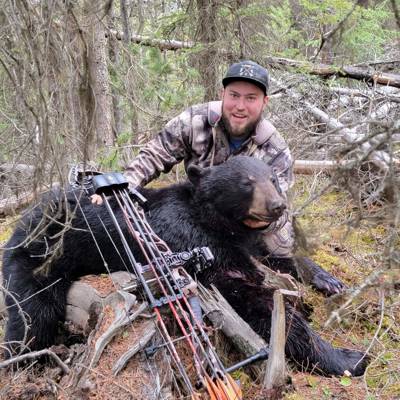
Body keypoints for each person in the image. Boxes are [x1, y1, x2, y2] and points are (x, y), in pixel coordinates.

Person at [97, 60, 294, 257]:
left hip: (249, 217)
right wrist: (122, 188)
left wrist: (262, 222)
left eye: (251, 98)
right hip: (202, 210)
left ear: (264, 102)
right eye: (234, 95)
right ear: (222, 94)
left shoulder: (274, 148)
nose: (240, 106)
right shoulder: (195, 120)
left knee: (278, 248)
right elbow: (153, 156)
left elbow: (281, 208)